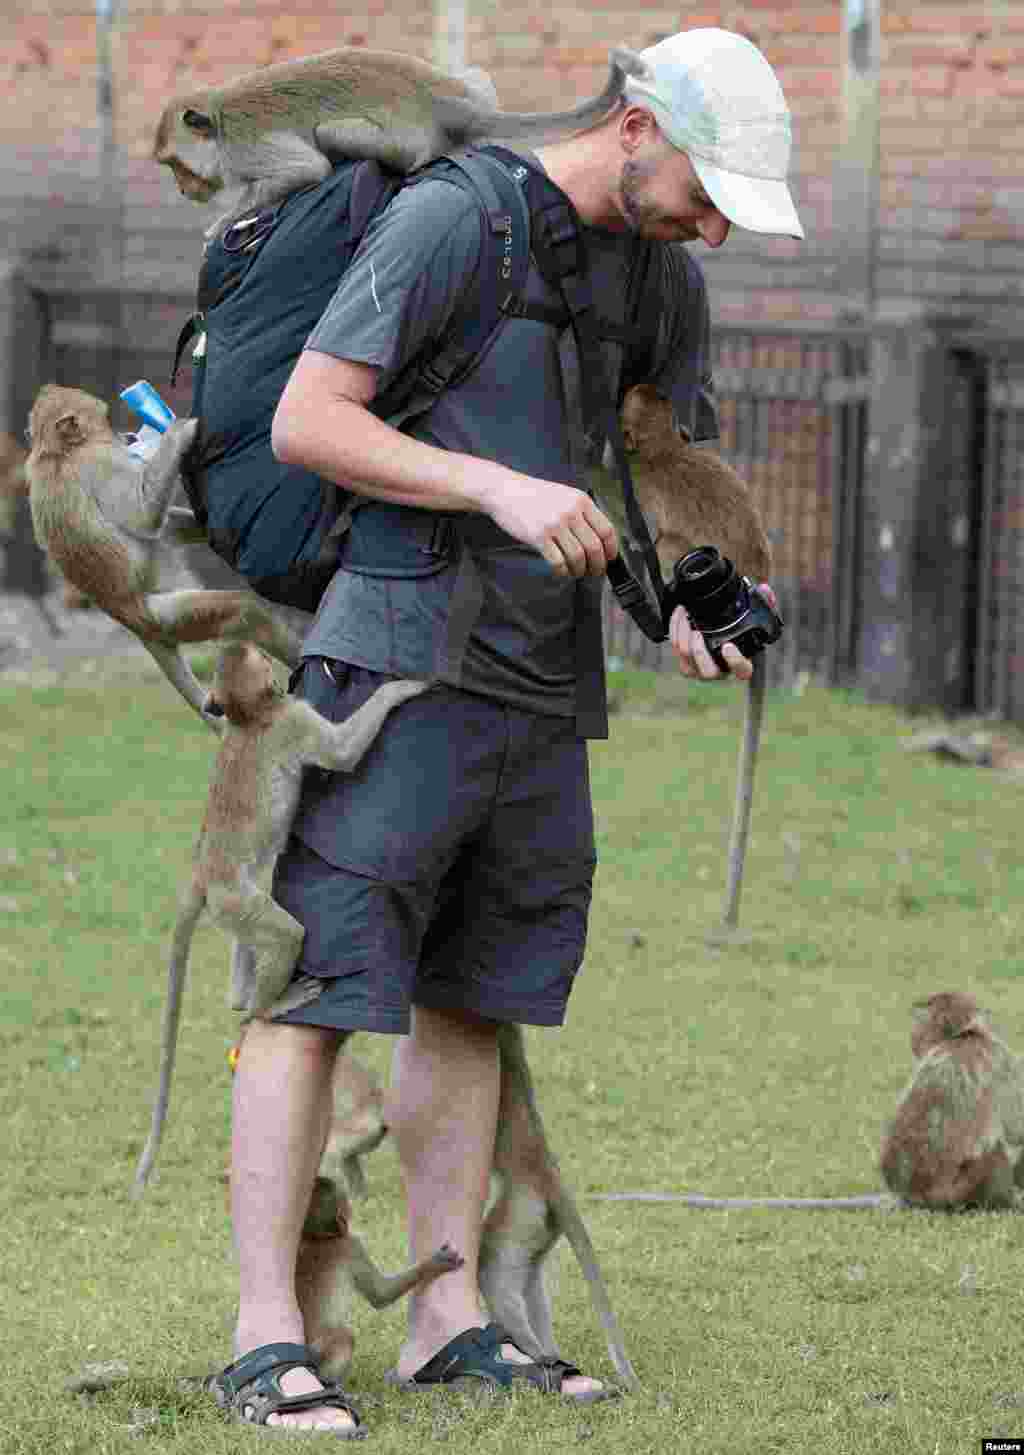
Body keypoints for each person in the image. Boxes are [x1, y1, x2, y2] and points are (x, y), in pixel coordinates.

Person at [212, 27, 803, 1434]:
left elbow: (629, 465)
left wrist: (678, 606)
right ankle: (262, 1336)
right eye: (707, 186)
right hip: (400, 655)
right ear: (639, 123)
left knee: (473, 993)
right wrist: (490, 484)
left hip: (545, 682)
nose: (716, 223)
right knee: (319, 991)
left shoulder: (658, 276)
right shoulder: (451, 221)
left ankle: (448, 1320)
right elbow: (309, 420)